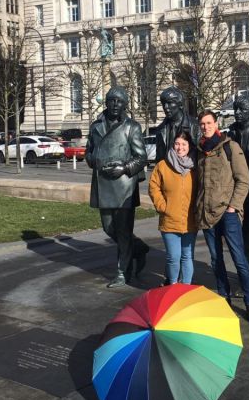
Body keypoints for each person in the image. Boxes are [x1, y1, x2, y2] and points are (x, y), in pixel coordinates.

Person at [196, 109, 249, 323]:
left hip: (228, 213)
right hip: (207, 213)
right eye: (202, 124)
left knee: (238, 258)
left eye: (209, 122)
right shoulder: (199, 150)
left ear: (216, 123)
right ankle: (224, 297)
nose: (206, 126)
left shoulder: (230, 147)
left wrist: (234, 206)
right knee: (216, 260)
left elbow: (244, 180)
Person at [86, 86, 150, 288]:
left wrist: (123, 167)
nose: (115, 104)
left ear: (125, 105)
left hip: (124, 187)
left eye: (119, 101)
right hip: (103, 184)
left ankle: (122, 273)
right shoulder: (96, 126)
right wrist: (93, 159)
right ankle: (137, 248)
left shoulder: (132, 127)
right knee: (108, 227)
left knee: (123, 232)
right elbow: (89, 151)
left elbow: (141, 158)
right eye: (112, 100)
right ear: (106, 102)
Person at [148, 131, 198, 286]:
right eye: (177, 143)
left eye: (184, 144)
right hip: (169, 219)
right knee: (173, 256)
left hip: (190, 220)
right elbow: (153, 187)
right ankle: (173, 285)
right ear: (172, 145)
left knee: (187, 256)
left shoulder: (195, 166)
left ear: (189, 146)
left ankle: (186, 287)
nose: (180, 147)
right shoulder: (163, 165)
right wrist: (162, 205)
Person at [228, 93, 249, 282]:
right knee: (239, 235)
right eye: (236, 109)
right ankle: (248, 267)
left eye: (242, 110)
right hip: (235, 191)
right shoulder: (231, 132)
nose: (237, 113)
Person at [155, 86, 200, 163]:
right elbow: (159, 158)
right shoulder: (161, 129)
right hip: (167, 172)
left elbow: (199, 155)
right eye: (164, 104)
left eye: (169, 103)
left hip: (188, 173)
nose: (165, 107)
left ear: (180, 104)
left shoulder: (194, 126)